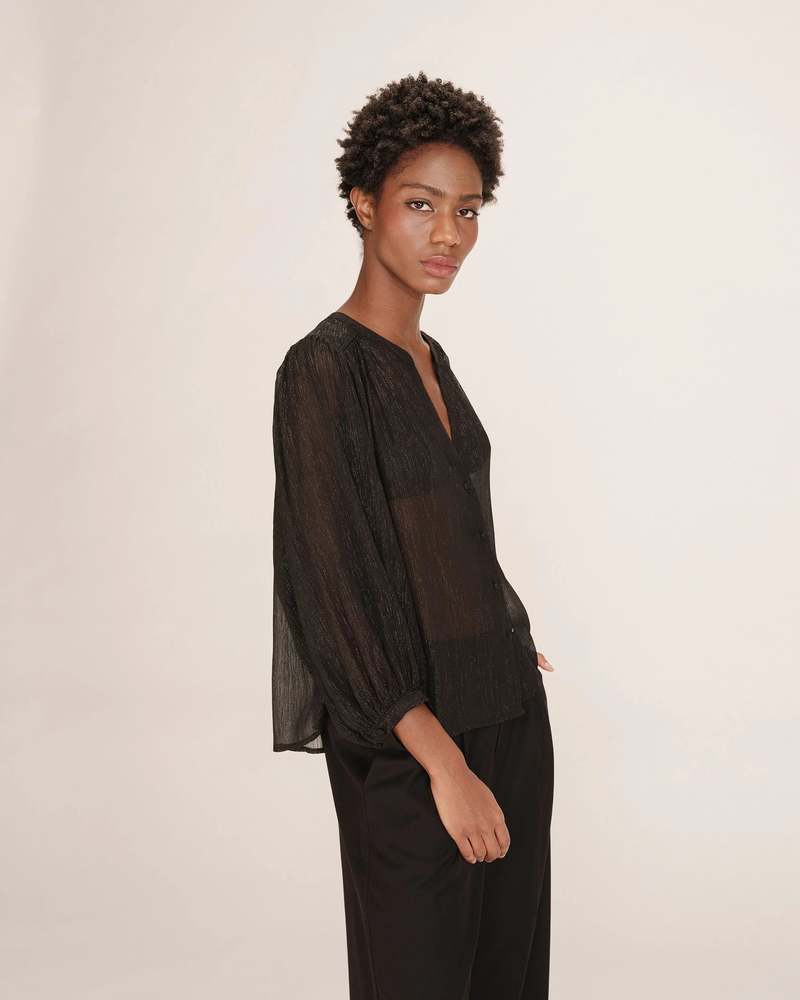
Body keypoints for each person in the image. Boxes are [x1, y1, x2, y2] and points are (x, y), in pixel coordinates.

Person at [272, 70, 555, 1000]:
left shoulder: (431, 358)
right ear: (364, 203)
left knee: (507, 979)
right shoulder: (323, 371)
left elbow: (444, 531)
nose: (449, 235)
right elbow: (332, 587)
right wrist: (445, 765)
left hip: (507, 713)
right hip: (412, 743)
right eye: (422, 204)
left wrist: (495, 625)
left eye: (468, 211)